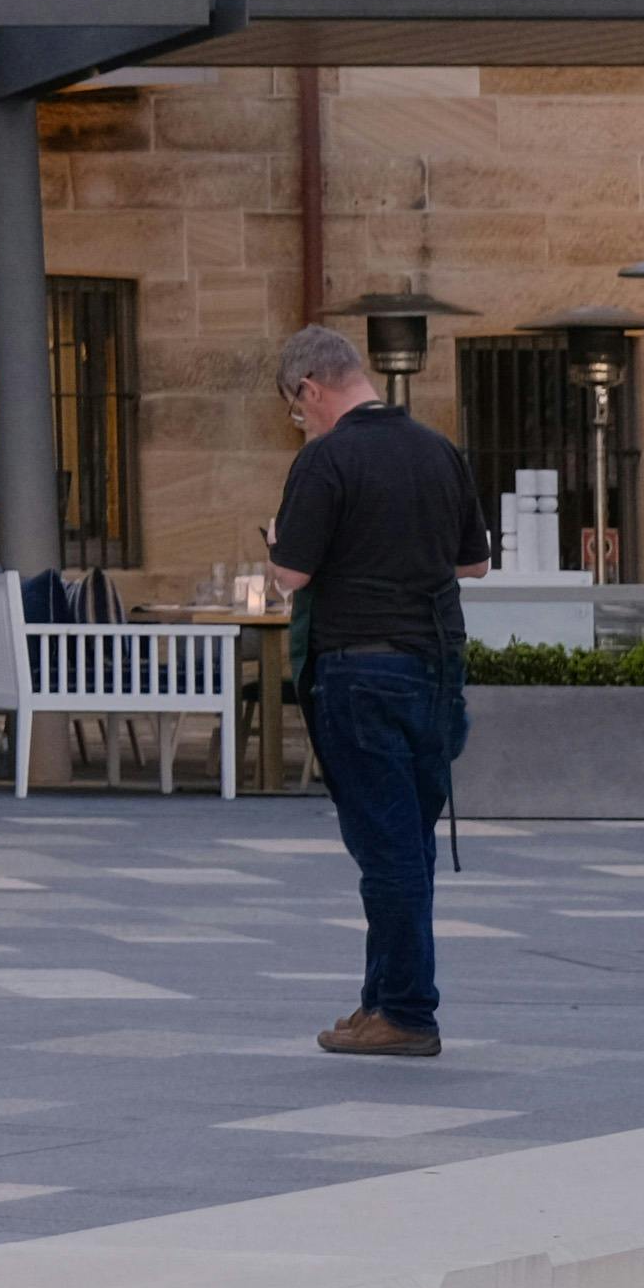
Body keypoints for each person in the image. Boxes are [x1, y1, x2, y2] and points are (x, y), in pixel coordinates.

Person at [268, 322, 493, 1058]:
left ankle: (406, 1012)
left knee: (385, 851)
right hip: (435, 667)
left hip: (359, 670)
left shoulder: (326, 459)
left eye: (295, 408)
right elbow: (474, 564)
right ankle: (381, 1000)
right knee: (408, 843)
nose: (300, 422)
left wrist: (279, 544)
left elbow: (292, 574)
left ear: (310, 389)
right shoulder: (437, 449)